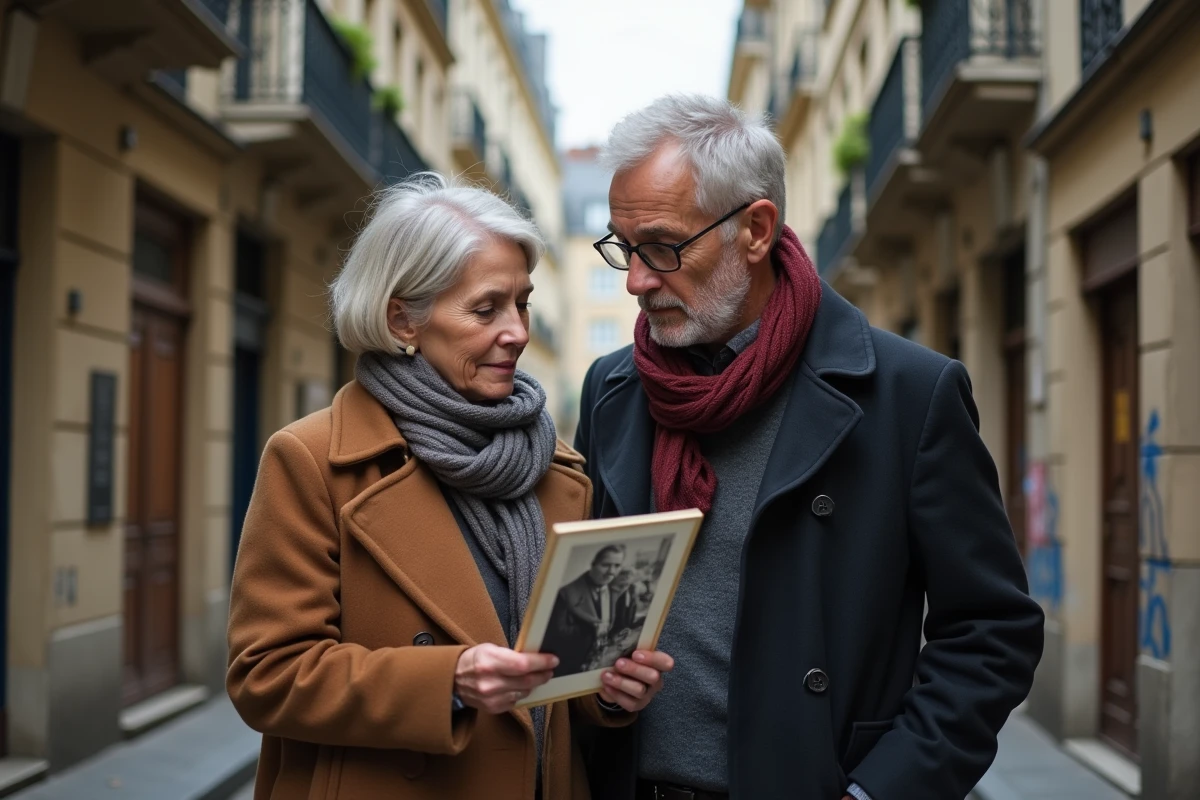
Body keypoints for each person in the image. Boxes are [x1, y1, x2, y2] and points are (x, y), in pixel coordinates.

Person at [572, 96, 1045, 800]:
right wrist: (601, 694)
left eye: (663, 247)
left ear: (756, 230)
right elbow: (593, 624)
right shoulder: (613, 390)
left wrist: (879, 792)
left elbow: (990, 632)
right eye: (623, 247)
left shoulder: (908, 394)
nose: (637, 280)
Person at [226, 175, 670, 800]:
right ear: (402, 319)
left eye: (522, 303)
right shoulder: (313, 460)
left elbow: (560, 674)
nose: (517, 331)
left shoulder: (557, 468)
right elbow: (266, 675)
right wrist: (448, 682)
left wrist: (611, 691)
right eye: (486, 309)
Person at [542, 545, 627, 677]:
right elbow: (555, 635)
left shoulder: (616, 591)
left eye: (617, 566)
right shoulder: (566, 593)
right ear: (593, 564)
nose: (611, 572)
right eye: (606, 565)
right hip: (569, 669)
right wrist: (591, 629)